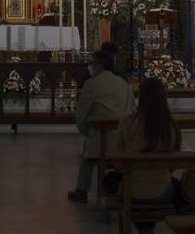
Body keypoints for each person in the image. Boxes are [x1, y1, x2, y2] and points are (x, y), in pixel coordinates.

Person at [112, 77, 181, 232]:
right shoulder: (170, 126)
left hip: (132, 190)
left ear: (140, 96)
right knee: (175, 186)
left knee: (123, 188)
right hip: (162, 191)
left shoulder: (127, 122)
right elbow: (174, 164)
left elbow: (118, 164)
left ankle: (144, 230)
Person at [69, 50, 134, 203]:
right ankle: (119, 186)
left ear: (99, 65)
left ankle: (81, 190)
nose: (90, 67)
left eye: (92, 63)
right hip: (124, 139)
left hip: (100, 139)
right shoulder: (123, 84)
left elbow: (81, 113)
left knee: (88, 151)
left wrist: (88, 131)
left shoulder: (92, 84)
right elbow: (132, 109)